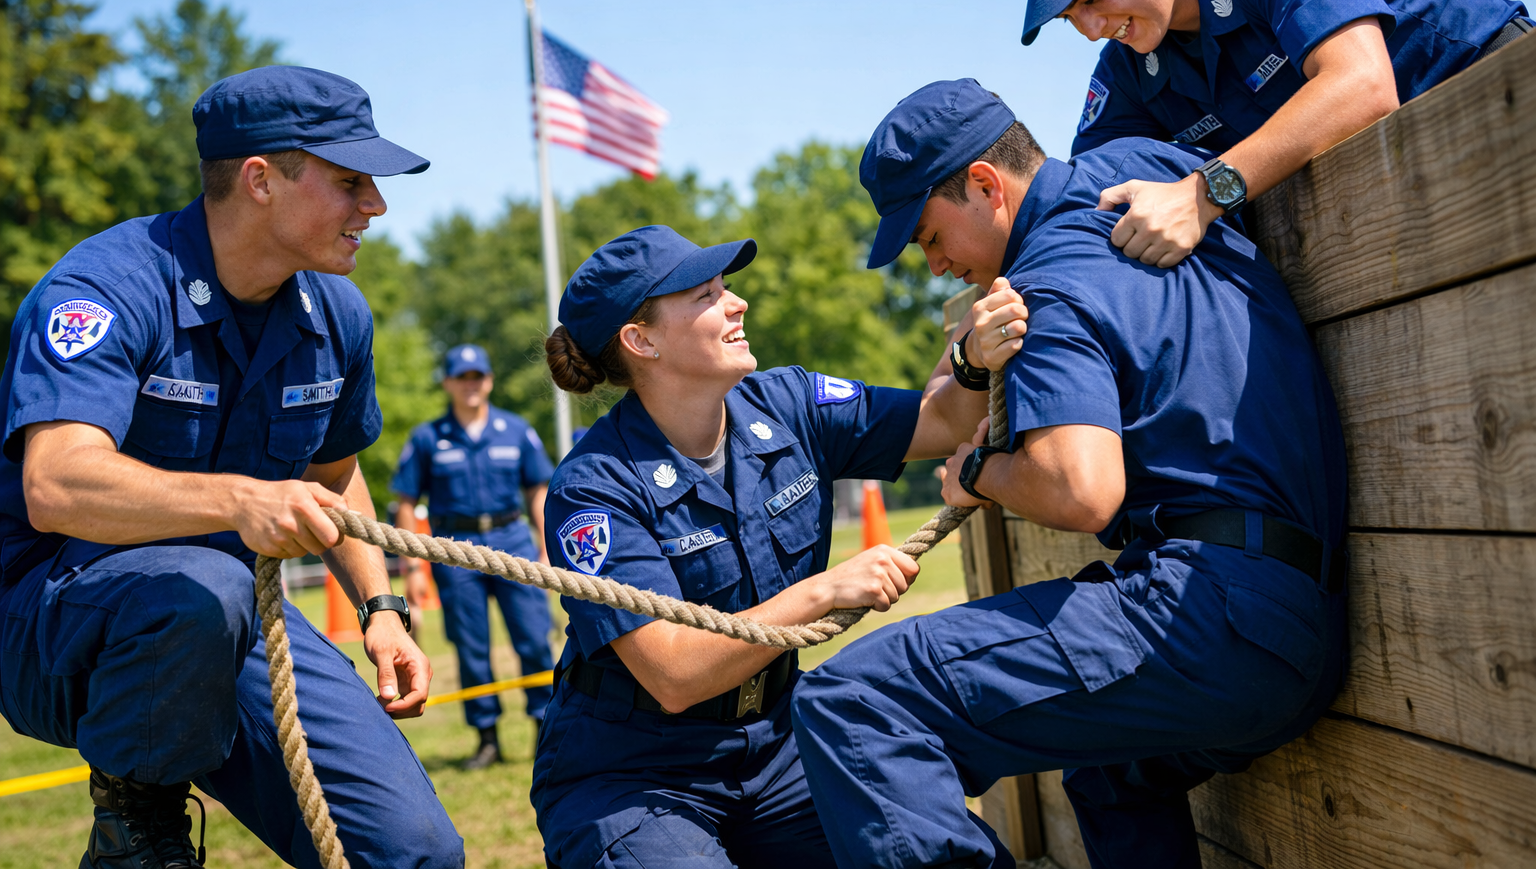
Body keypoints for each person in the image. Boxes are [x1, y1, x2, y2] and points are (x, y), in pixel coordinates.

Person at [789, 78, 1349, 869]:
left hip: (1212, 617)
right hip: (1300, 622)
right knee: (1110, 776)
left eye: (927, 234)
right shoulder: (1145, 174)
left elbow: (1082, 490)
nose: (934, 263)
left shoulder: (1044, 285)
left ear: (986, 185)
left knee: (854, 700)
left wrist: (981, 470)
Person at [0, 66, 463, 868]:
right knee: (201, 589)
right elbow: (56, 482)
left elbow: (334, 478)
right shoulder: (106, 287)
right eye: (350, 182)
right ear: (259, 180)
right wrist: (240, 500)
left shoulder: (336, 314)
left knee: (415, 853)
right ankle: (135, 833)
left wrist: (381, 606)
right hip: (56, 616)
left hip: (232, 620)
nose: (376, 208)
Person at [529, 225, 1027, 869]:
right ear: (640, 339)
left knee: (938, 852)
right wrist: (823, 591)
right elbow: (674, 674)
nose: (736, 303)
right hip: (633, 776)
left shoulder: (788, 401)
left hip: (777, 745)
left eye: (726, 287)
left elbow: (941, 422)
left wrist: (968, 359)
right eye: (706, 294)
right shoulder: (593, 487)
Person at [998, 0, 1531, 268]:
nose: (1091, 29)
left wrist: (1204, 193)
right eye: (1071, 19)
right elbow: (1086, 203)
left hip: (1503, 110)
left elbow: (1363, 86)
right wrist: (980, 348)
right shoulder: (1127, 71)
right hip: (1393, 212)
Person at [392, 343, 557, 769]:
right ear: (447, 383)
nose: (471, 385)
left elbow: (538, 490)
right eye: (461, 377)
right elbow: (406, 504)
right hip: (455, 552)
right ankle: (487, 740)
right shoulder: (428, 437)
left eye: (477, 376)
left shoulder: (517, 430)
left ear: (489, 380)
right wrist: (414, 566)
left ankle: (546, 731)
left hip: (513, 542)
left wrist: (544, 548)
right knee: (471, 649)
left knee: (534, 639)